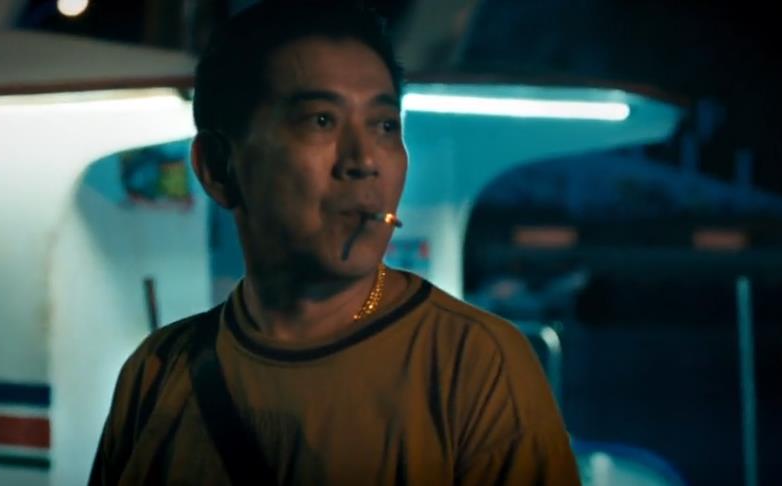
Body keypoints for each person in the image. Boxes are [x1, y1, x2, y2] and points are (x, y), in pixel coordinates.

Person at [89, 2, 579, 485]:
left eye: (385, 125)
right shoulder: (159, 370)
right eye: (321, 120)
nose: (363, 161)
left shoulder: (473, 364)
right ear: (218, 168)